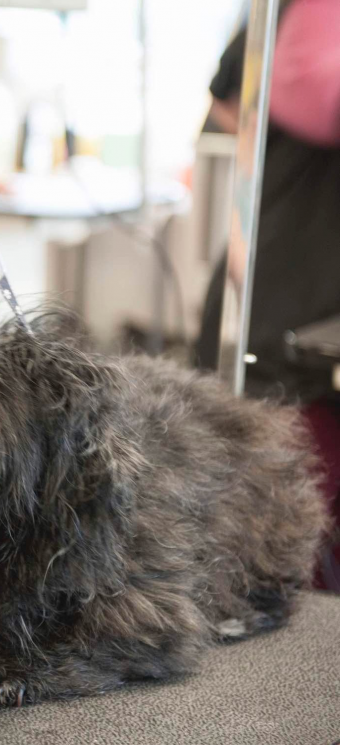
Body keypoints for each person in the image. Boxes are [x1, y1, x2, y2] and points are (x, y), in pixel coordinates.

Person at [196, 0, 340, 587]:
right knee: (280, 546)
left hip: (291, 289)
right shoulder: (296, 15)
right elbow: (238, 97)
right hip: (284, 303)